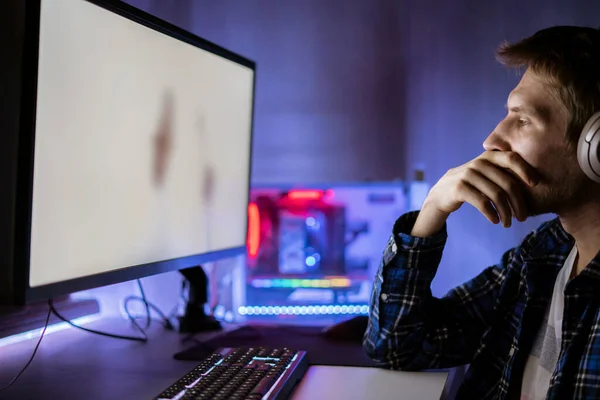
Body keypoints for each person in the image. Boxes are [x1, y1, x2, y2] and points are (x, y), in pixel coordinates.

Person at [363, 26, 600, 400]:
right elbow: (397, 347)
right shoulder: (544, 254)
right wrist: (432, 210)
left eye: (523, 121)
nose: (492, 141)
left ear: (597, 148)